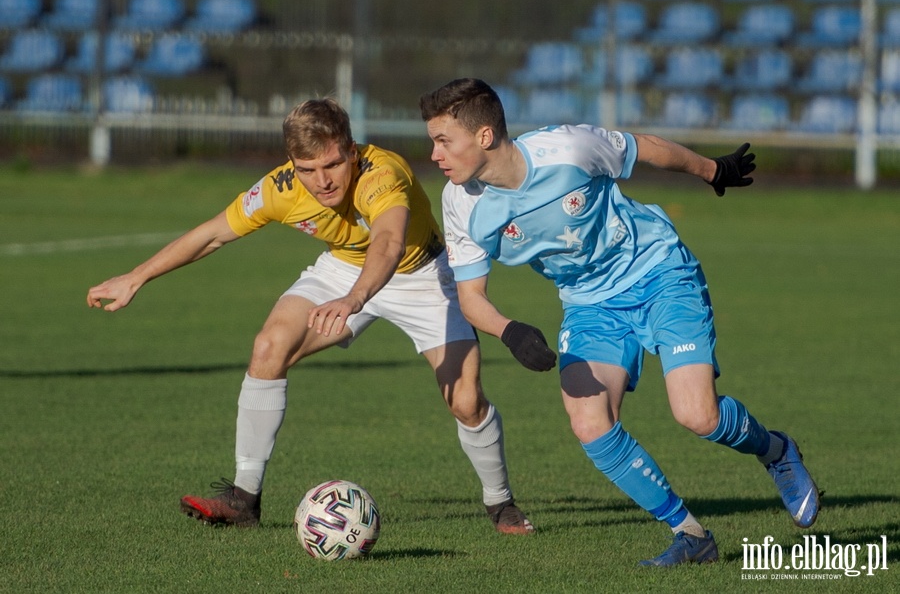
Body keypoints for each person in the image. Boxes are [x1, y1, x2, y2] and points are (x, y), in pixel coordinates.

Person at [419, 78, 820, 566]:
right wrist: (510, 331)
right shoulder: (461, 202)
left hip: (659, 272)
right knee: (588, 421)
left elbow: (644, 148)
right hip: (589, 306)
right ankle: (691, 535)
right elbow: (471, 296)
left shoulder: (566, 148)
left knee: (698, 416)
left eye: (443, 140)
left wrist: (713, 170)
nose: (435, 154)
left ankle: (776, 451)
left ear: (484, 135)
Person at [86, 98, 533, 535]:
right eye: (307, 170)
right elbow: (212, 235)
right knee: (269, 346)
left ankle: (500, 502)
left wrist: (354, 300)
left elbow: (388, 245)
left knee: (465, 400)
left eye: (332, 165)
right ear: (292, 164)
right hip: (344, 267)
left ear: (352, 152)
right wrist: (136, 277)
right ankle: (243, 499)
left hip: (422, 274)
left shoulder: (383, 174)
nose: (321, 181)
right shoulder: (281, 188)